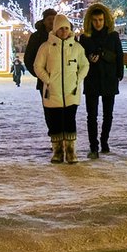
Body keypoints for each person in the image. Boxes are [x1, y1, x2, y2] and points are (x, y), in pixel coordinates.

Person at [34, 15, 89, 163]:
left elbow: (85, 65)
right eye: (61, 28)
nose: (64, 31)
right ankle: (57, 151)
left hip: (71, 92)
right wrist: (48, 79)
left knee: (70, 121)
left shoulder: (77, 48)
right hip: (53, 92)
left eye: (66, 28)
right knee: (55, 122)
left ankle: (71, 151)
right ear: (55, 30)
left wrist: (78, 78)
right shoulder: (46, 47)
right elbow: (38, 66)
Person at [78, 3, 124, 159]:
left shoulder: (112, 36)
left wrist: (119, 74)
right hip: (92, 79)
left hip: (109, 79)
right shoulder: (84, 38)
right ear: (90, 21)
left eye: (100, 20)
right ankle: (93, 147)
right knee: (91, 116)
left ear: (105, 20)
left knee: (108, 114)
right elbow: (80, 57)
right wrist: (89, 58)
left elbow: (118, 55)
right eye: (95, 20)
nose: (98, 23)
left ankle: (104, 141)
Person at [24, 8, 58, 94]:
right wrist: (38, 73)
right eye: (49, 19)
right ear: (44, 21)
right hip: (44, 79)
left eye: (54, 19)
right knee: (48, 105)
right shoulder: (36, 37)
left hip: (62, 79)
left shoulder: (64, 34)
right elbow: (29, 57)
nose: (52, 21)